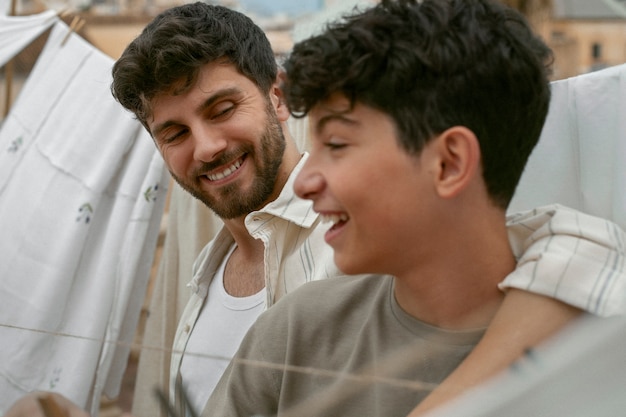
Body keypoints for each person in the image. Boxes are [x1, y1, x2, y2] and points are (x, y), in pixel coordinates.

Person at [4, 2, 625, 416]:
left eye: (336, 143)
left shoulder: (353, 260)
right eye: (173, 133)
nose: (308, 179)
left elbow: (583, 247)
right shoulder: (279, 314)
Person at [201, 0, 626, 416]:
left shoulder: (599, 357)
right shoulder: (295, 330)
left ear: (448, 163)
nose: (307, 182)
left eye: (336, 145)